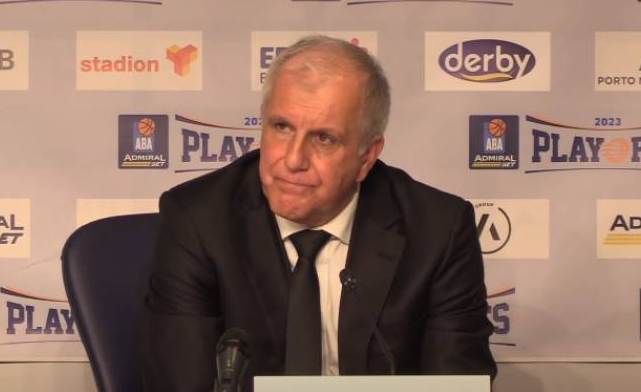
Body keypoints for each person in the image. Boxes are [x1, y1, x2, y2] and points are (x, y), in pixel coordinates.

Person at [141, 35, 496, 391]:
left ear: (367, 157)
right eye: (282, 127)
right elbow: (180, 382)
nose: (293, 160)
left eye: (324, 138)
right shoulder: (199, 220)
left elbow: (457, 381)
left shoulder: (438, 230)